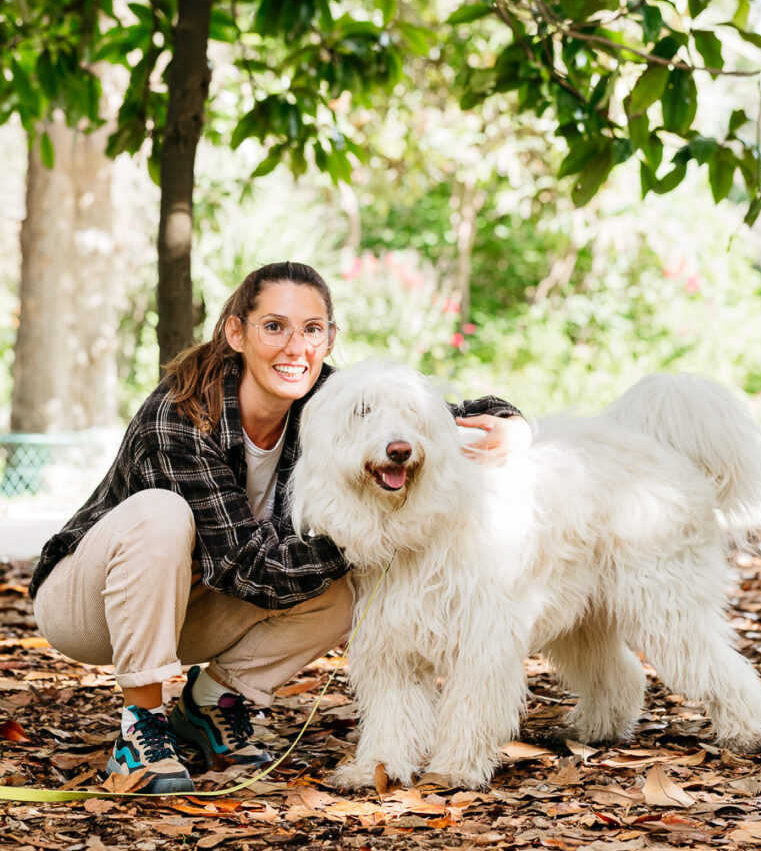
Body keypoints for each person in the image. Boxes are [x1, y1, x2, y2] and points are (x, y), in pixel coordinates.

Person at [29, 262, 528, 793]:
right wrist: (364, 538)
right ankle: (141, 729)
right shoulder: (178, 417)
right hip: (88, 606)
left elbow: (430, 413)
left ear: (330, 339)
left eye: (312, 330)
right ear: (236, 332)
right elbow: (247, 566)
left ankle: (210, 704)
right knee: (162, 513)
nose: (295, 347)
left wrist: (512, 425)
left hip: (192, 600)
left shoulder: (329, 401)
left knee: (339, 592)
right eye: (275, 327)